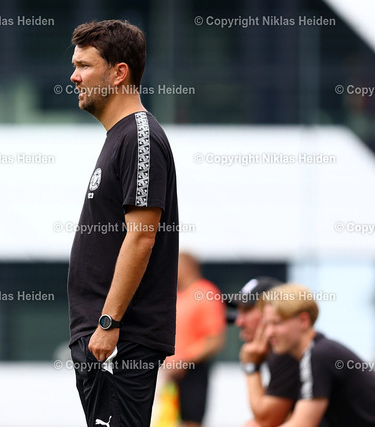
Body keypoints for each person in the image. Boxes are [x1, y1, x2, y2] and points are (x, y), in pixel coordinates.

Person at [67, 19, 179, 427]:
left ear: (119, 73)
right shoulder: (119, 137)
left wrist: (109, 322)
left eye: (84, 66)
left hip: (120, 339)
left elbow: (142, 237)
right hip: (104, 338)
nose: (74, 77)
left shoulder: (139, 136)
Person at [264, 283, 375, 426]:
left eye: (276, 323)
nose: (269, 333)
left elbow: (302, 424)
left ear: (303, 320)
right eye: (267, 325)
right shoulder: (319, 352)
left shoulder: (318, 355)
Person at [164, 252, 225, 427]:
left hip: (193, 369)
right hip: (171, 372)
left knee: (191, 421)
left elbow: (214, 340)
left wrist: (184, 360)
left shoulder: (205, 293)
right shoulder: (175, 294)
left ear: (187, 267)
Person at [231, 277, 301, 427]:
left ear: (272, 310)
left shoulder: (288, 351)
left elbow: (266, 420)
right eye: (238, 312)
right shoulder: (276, 352)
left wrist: (251, 366)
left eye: (246, 311)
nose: (239, 322)